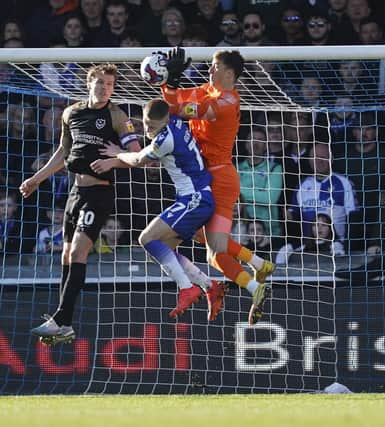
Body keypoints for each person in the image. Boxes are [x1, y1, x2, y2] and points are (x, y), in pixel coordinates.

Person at [21, 63, 141, 345]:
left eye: (110, 85)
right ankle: (63, 323)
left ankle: (61, 320)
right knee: (65, 256)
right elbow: (63, 152)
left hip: (99, 194)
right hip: (76, 192)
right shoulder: (71, 112)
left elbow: (138, 154)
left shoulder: (117, 115)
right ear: (88, 84)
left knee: (77, 253)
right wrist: (36, 179)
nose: (104, 89)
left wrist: (115, 157)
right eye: (100, 83)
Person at [160, 48, 274, 325]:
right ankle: (259, 269)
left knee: (215, 248)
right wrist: (168, 82)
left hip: (219, 179)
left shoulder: (226, 102)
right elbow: (172, 103)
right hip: (201, 178)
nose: (209, 69)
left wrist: (170, 82)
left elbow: (183, 109)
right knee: (206, 244)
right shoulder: (206, 90)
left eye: (214, 65)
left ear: (229, 73)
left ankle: (256, 278)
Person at [92, 99, 223, 320]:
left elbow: (136, 160)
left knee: (146, 239)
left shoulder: (165, 140)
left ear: (164, 120)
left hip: (195, 198)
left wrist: (116, 154)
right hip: (192, 196)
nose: (148, 129)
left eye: (152, 126)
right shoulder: (175, 118)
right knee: (163, 250)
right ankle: (210, 286)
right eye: (145, 123)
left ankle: (187, 288)